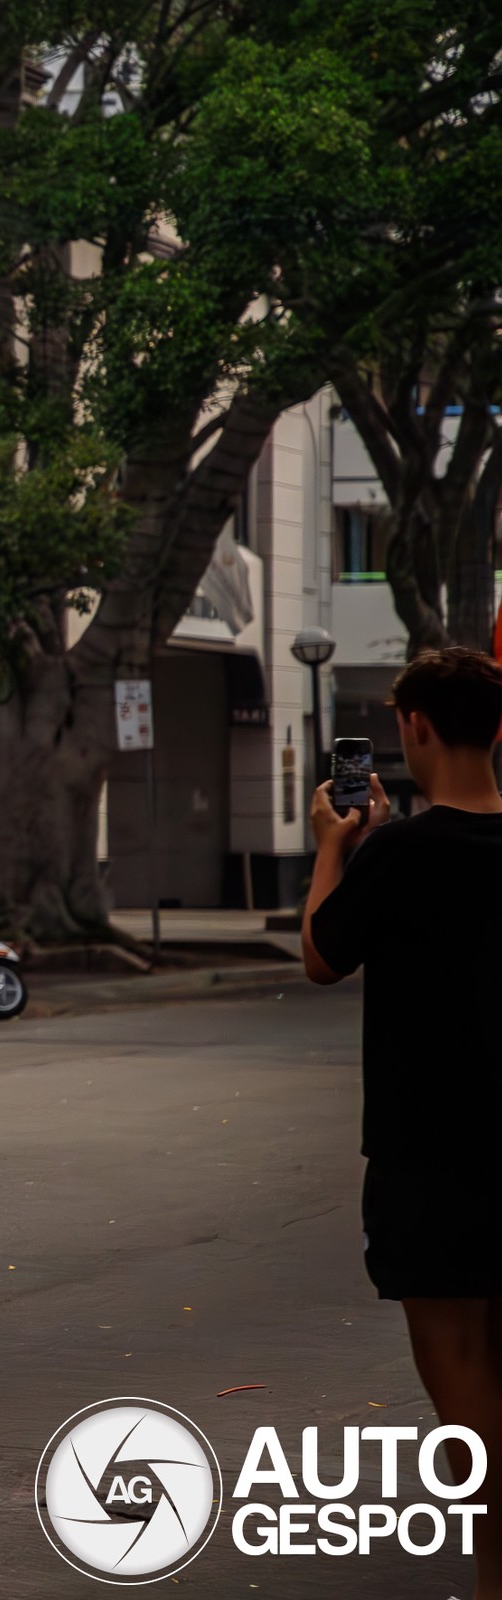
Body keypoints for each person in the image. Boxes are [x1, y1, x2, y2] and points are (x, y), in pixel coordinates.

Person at [304, 647, 502, 1599]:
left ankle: (493, 1572)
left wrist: (334, 847)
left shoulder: (401, 854)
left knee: (460, 1382)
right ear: (496, 730)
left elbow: (320, 955)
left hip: (430, 1160)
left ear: (415, 727)